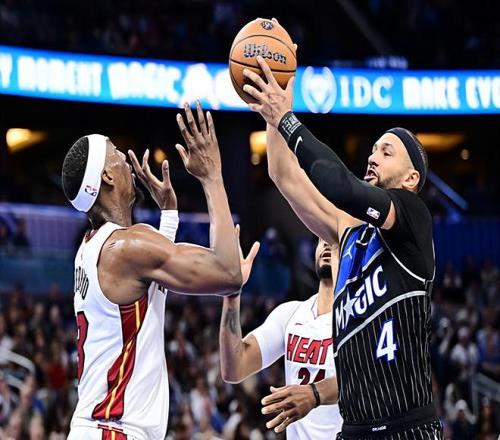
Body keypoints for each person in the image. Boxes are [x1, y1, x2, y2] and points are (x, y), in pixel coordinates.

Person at [242, 39, 441, 438]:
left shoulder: (412, 217)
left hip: (407, 427)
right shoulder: (346, 232)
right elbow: (283, 174)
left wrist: (288, 121)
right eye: (373, 150)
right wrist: (275, 106)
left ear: (411, 178)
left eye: (386, 152)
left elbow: (343, 187)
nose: (372, 157)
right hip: (354, 429)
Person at [62, 101, 242, 440]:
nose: (124, 157)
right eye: (115, 152)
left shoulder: (94, 248)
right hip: (112, 430)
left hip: (102, 427)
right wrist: (212, 176)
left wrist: (169, 215)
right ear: (107, 176)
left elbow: (148, 295)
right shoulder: (126, 247)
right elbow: (228, 272)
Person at [220, 234, 343, 439]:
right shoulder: (290, 314)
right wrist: (232, 293)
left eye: (334, 240)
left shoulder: (361, 316)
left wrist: (314, 393)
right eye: (322, 239)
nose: (326, 245)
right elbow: (234, 368)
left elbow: (369, 380)